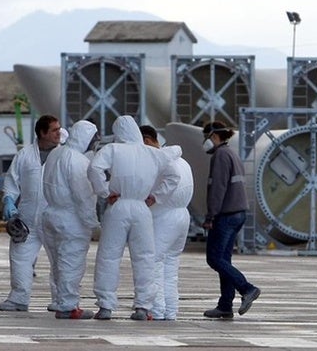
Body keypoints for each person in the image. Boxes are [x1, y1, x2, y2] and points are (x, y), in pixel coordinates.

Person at [88, 115, 182, 321]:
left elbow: (94, 168)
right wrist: (156, 196)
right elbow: (174, 175)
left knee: (109, 256)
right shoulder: (153, 153)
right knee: (145, 257)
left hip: (118, 205)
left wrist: (104, 191)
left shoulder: (112, 150)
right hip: (141, 207)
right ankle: (143, 306)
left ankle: (106, 305)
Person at [0, 114, 62, 311]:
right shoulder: (25, 155)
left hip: (54, 216)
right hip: (27, 218)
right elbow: (11, 180)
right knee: (20, 257)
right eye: (54, 130)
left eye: (59, 129)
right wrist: (9, 199)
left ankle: (62, 300)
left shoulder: (64, 155)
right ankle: (19, 298)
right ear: (42, 133)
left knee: (61, 260)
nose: (59, 133)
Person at [201, 121, 261, 319]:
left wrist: (211, 216)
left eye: (206, 137)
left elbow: (218, 189)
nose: (205, 142)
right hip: (238, 213)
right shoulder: (232, 153)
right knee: (224, 260)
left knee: (214, 258)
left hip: (225, 214)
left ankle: (247, 288)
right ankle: (225, 305)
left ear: (214, 136)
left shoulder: (220, 155)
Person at [42, 120, 101, 319]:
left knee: (58, 263)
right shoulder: (78, 161)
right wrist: (93, 223)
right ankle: (68, 306)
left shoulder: (56, 153)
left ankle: (60, 301)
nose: (95, 143)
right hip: (71, 220)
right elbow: (83, 196)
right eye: (94, 139)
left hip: (50, 214)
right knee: (71, 263)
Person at [140, 125, 194, 321]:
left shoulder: (158, 162)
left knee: (154, 262)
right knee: (171, 266)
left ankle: (156, 309)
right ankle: (170, 310)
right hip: (182, 217)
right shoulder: (183, 162)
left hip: (163, 217)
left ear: (146, 141)